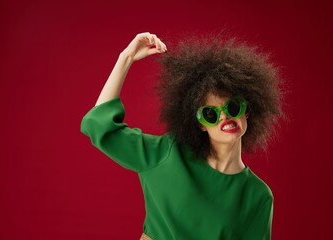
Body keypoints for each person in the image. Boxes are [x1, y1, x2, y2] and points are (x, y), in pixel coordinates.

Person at [81, 32, 283, 240]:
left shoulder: (258, 196)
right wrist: (126, 58)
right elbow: (99, 126)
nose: (224, 117)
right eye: (210, 114)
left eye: (232, 107)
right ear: (200, 125)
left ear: (247, 110)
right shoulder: (169, 153)